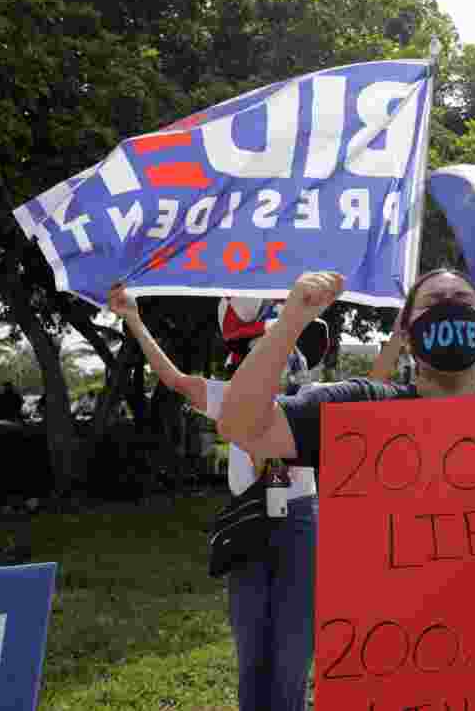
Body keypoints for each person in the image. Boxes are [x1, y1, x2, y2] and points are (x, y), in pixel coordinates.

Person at [216, 268, 475, 535]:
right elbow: (241, 425)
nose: (450, 313)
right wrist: (290, 323)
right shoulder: (358, 410)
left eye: (463, 304)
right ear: (405, 331)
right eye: (435, 305)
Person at [108, 287, 326, 711]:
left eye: (285, 341)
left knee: (294, 648)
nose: (280, 351)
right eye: (268, 342)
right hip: (248, 522)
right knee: (252, 644)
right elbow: (172, 378)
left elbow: (379, 389)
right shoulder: (229, 396)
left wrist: (398, 340)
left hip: (300, 522)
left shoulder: (313, 399)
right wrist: (133, 317)